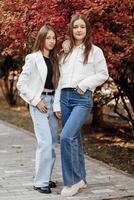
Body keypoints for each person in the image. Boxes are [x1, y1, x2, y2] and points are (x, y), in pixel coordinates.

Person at [53, 14, 109, 197]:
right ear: (71, 29)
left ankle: (71, 182)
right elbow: (60, 80)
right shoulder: (65, 52)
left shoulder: (95, 51)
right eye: (76, 26)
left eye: (82, 27)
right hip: (65, 98)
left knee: (66, 137)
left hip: (82, 97)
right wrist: (56, 104)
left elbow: (103, 74)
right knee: (74, 138)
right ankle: (81, 178)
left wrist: (84, 84)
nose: (79, 30)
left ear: (87, 30)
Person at [17, 24, 61, 194]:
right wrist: (36, 101)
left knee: (51, 143)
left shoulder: (55, 60)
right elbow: (21, 84)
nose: (51, 41)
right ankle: (39, 182)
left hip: (52, 102)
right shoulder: (33, 58)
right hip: (39, 103)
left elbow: (58, 85)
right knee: (44, 142)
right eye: (48, 37)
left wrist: (56, 106)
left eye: (53, 38)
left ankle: (46, 178)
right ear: (41, 38)